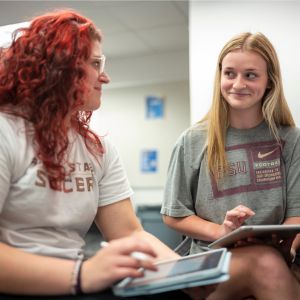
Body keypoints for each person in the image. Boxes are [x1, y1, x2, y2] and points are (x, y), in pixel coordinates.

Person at [0, 9, 200, 299]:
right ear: (56, 70)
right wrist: (82, 275)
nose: (104, 77)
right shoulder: (6, 130)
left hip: (74, 281)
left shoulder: (97, 147)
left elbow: (130, 234)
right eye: (94, 64)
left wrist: (183, 276)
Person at [161, 32, 300, 300]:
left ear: (269, 81)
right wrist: (222, 231)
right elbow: (173, 214)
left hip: (279, 258)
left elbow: (297, 214)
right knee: (266, 263)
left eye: (250, 75)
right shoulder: (192, 140)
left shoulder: (291, 140)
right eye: (230, 73)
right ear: (220, 77)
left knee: (269, 261)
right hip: (211, 263)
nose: (238, 84)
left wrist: (289, 247)